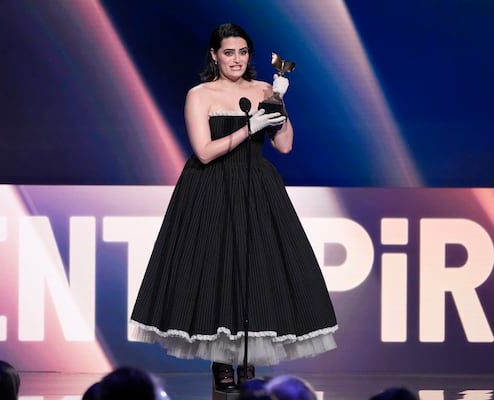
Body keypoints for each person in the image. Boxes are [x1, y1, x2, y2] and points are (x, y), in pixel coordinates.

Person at [130, 22, 338, 391]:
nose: (236, 59)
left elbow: (285, 146)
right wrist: (249, 125)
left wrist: (278, 106)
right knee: (216, 270)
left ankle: (247, 362)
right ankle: (221, 361)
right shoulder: (200, 94)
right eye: (229, 52)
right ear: (214, 55)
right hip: (211, 188)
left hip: (256, 188)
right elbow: (205, 152)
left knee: (255, 271)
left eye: (242, 52)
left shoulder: (263, 88)